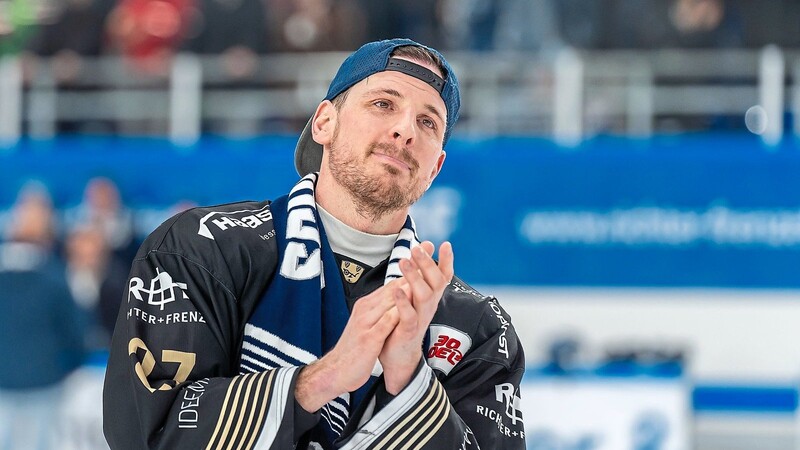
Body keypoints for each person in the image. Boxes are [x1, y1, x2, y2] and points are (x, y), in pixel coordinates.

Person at [103, 38, 526, 449]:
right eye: (383, 104)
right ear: (324, 122)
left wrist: (409, 376)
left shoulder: (476, 328)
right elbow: (146, 431)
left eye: (428, 122)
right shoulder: (200, 249)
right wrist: (324, 378)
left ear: (435, 167)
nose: (404, 130)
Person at [0, 185, 86, 450]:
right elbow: (75, 334)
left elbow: (74, 334)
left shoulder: (54, 275)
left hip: (34, 384)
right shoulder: (55, 275)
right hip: (42, 381)